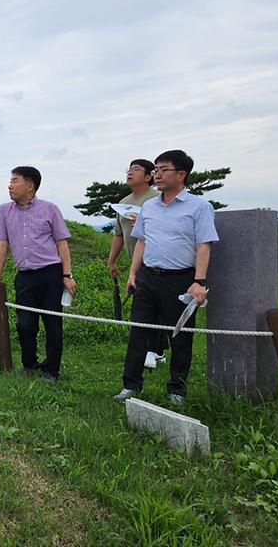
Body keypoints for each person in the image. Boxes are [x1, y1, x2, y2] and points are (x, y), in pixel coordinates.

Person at [113, 150, 219, 406]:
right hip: (148, 277)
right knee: (139, 332)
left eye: (163, 170)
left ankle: (177, 390)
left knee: (180, 336)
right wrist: (132, 273)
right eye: (156, 170)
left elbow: (203, 245)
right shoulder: (149, 206)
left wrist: (199, 281)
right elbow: (141, 241)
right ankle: (130, 385)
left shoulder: (200, 207)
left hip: (181, 279)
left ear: (181, 174)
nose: (157, 175)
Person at [0, 166, 76, 382]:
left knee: (52, 324)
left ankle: (51, 370)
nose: (9, 185)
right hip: (24, 276)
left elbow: (61, 244)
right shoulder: (4, 211)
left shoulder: (50, 209)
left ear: (30, 185)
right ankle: (29, 363)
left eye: (14, 181)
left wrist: (66, 274)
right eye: (10, 181)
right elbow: (1, 245)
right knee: (25, 324)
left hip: (50, 274)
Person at [106, 159, 166, 369]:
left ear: (149, 176)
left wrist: (144, 223)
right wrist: (112, 260)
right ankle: (156, 350)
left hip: (159, 262)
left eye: (136, 169)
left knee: (153, 307)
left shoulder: (158, 198)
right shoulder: (124, 201)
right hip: (136, 261)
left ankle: (154, 350)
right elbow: (119, 234)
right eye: (129, 169)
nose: (130, 173)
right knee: (147, 305)